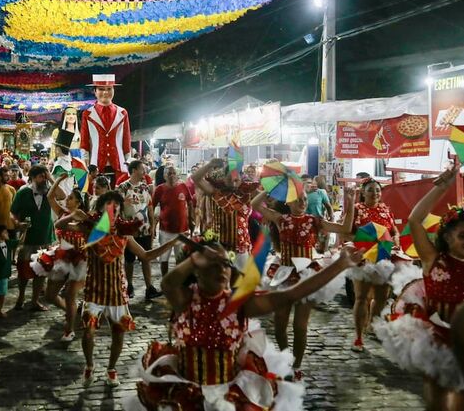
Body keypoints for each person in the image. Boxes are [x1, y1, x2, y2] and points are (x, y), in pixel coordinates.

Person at [129, 242, 363, 410]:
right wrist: (192, 259)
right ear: (197, 271)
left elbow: (292, 294)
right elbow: (168, 284)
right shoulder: (186, 300)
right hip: (185, 395)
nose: (221, 269)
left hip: (229, 395)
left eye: (225, 264)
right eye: (213, 264)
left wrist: (340, 265)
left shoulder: (239, 304)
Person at [374, 165, 464, 410]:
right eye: (463, 236)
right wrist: (441, 187)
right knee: (437, 401)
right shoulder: (433, 259)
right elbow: (414, 219)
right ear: (447, 238)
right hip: (438, 338)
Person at [251, 184, 356, 379]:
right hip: (283, 274)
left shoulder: (315, 221)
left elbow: (346, 228)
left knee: (300, 326)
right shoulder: (280, 219)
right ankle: (285, 359)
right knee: (280, 323)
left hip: (307, 273)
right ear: (288, 201)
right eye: (298, 198)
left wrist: (350, 202)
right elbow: (255, 204)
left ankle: (296, 365)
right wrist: (272, 188)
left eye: (305, 199)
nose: (302, 202)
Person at [81, 191, 179, 387]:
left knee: (118, 333)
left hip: (116, 291)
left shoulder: (124, 234)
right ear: (100, 207)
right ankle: (90, 365)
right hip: (94, 289)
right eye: (109, 203)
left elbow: (146, 256)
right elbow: (61, 225)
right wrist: (77, 216)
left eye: (117, 204)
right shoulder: (90, 229)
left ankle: (111, 369)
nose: (114, 207)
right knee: (89, 330)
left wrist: (171, 243)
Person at [32, 176, 92, 340]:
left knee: (70, 294)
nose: (67, 200)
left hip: (79, 259)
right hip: (61, 257)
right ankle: (71, 311)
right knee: (50, 296)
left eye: (71, 198)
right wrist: (57, 180)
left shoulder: (86, 218)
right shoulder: (63, 213)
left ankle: (69, 329)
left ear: (79, 202)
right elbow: (51, 197)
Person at [345, 177, 401, 352]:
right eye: (370, 190)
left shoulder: (385, 210)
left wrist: (396, 240)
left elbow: (394, 231)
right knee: (361, 297)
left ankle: (372, 325)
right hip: (363, 258)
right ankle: (358, 337)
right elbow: (346, 233)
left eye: (377, 190)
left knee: (382, 297)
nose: (375, 193)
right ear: (362, 192)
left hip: (383, 258)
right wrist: (365, 241)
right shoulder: (356, 209)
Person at [191, 157, 259, 269]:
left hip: (242, 247)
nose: (233, 182)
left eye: (236, 180)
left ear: (241, 178)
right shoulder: (215, 190)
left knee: (240, 282)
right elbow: (196, 178)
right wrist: (210, 165)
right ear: (224, 178)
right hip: (220, 247)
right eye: (230, 179)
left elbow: (268, 198)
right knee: (221, 279)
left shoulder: (247, 191)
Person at [10, 165, 56, 311]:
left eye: (45, 176)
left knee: (41, 270)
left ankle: (35, 300)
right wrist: (17, 223)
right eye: (41, 177)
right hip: (28, 238)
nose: (44, 180)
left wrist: (50, 178)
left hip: (45, 236)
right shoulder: (23, 192)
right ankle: (21, 297)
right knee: (23, 269)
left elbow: (61, 195)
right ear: (33, 177)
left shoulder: (49, 191)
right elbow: (12, 212)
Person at [117, 159, 161, 300]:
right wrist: (124, 203)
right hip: (129, 231)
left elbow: (149, 207)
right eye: (142, 169)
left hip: (145, 230)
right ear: (134, 170)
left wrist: (153, 226)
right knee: (129, 260)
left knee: (146, 258)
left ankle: (149, 287)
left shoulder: (145, 188)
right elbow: (115, 208)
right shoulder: (122, 188)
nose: (145, 171)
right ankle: (129, 286)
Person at [79, 74, 131, 179]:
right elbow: (84, 143)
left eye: (109, 89)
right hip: (96, 166)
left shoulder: (122, 113)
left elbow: (126, 141)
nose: (105, 92)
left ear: (113, 90)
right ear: (95, 91)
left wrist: (128, 162)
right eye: (101, 89)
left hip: (119, 165)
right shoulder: (87, 114)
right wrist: (86, 165)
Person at [151, 165, 193, 276]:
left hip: (182, 230)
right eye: (169, 173)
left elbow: (190, 202)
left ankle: (179, 281)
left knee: (181, 259)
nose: (171, 175)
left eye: (173, 173)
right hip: (165, 230)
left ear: (177, 174)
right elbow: (151, 206)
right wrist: (152, 225)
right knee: (164, 258)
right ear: (164, 176)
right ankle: (165, 280)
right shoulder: (160, 189)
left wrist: (191, 219)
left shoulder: (183, 186)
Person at [0, 224, 20, 318]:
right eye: (4, 232)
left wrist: (24, 231)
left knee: (3, 292)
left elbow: (19, 242)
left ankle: (0, 310)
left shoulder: (8, 243)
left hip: (5, 273)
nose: (7, 233)